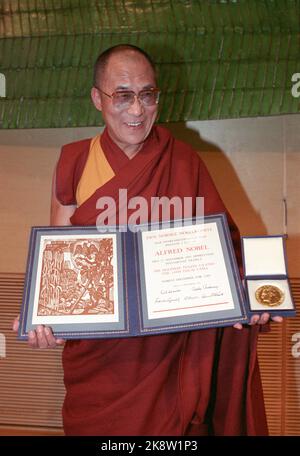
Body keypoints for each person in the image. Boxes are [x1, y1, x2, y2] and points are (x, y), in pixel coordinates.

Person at [13, 44, 282, 436]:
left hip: (173, 358)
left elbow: (227, 250)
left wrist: (252, 298)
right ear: (97, 98)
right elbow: (61, 256)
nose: (137, 110)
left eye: (147, 94)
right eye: (122, 96)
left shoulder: (185, 161)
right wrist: (42, 316)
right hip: (102, 363)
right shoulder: (75, 161)